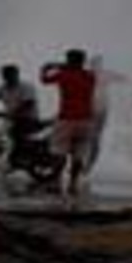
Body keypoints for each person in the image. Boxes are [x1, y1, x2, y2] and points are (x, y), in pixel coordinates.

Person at [41, 48, 97, 197]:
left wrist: (48, 67)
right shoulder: (89, 76)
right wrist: (68, 66)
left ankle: (56, 183)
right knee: (78, 154)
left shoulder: (63, 75)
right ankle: (73, 184)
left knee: (60, 153)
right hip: (86, 120)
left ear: (69, 60)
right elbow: (84, 72)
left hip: (66, 119)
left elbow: (44, 79)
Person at [85, 54, 126, 174]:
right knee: (93, 139)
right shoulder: (101, 74)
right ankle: (88, 164)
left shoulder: (93, 74)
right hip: (96, 110)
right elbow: (121, 78)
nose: (94, 66)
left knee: (92, 138)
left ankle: (88, 164)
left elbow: (121, 78)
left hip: (97, 110)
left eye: (95, 64)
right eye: (94, 64)